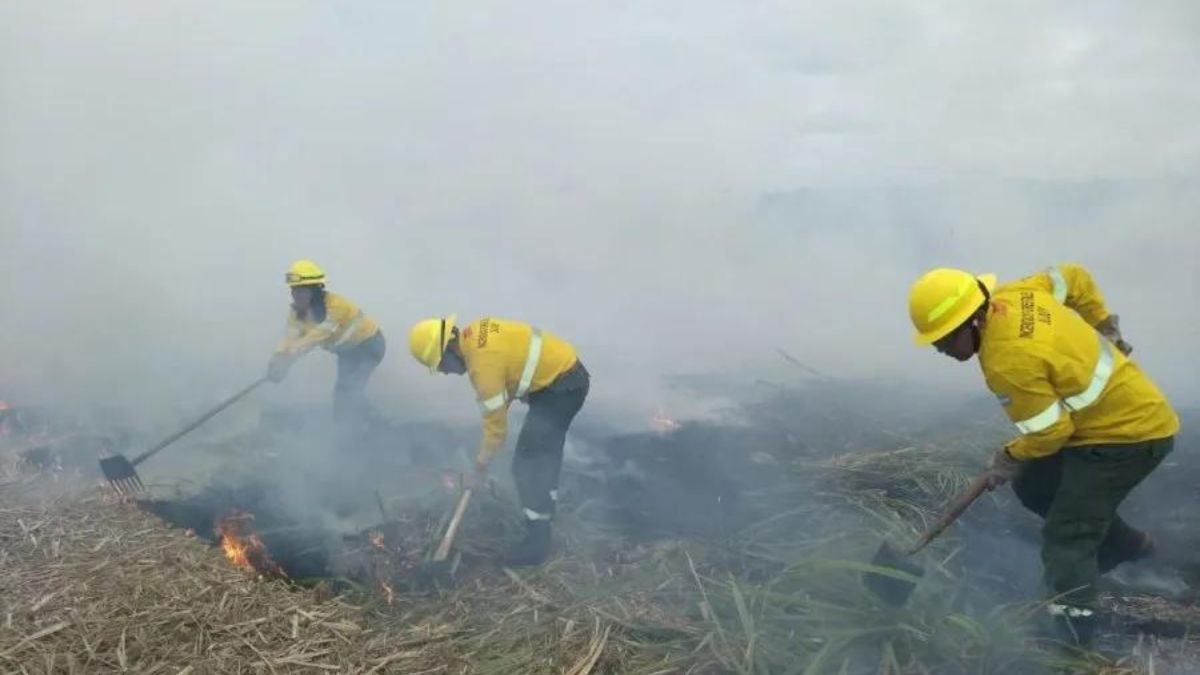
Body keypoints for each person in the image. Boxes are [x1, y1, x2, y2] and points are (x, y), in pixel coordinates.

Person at [907, 263, 1179, 645]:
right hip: (1104, 423)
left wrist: (1008, 457)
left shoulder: (1007, 363)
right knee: (1036, 483)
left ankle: (1074, 636)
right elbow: (1075, 276)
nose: (940, 349)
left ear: (973, 321)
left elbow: (1051, 432)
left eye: (945, 339)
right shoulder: (1015, 296)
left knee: (1067, 534)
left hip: (1129, 437)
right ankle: (1127, 545)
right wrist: (1103, 325)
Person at [408, 315, 589, 566]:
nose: (446, 373)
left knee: (528, 464)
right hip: (563, 380)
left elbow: (496, 430)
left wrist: (479, 466)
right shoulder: (475, 335)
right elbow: (511, 373)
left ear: (449, 348)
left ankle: (538, 545)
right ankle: (545, 514)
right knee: (543, 455)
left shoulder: (483, 369)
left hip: (561, 389)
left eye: (441, 366)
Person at [268, 260, 386, 434]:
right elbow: (291, 337)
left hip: (369, 347)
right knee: (341, 395)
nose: (295, 295)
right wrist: (278, 358)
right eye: (293, 290)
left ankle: (377, 426)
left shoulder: (336, 306)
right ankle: (345, 430)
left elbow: (318, 334)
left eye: (300, 291)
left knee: (350, 388)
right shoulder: (298, 313)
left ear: (315, 290)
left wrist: (288, 359)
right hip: (347, 353)